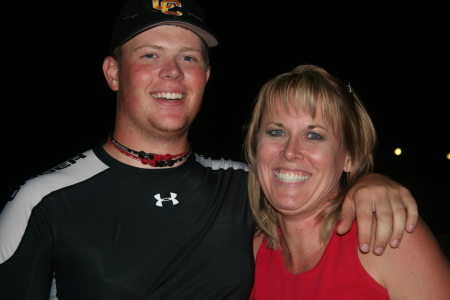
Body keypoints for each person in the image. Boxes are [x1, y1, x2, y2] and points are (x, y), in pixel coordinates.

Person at [0, 1, 418, 299]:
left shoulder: (244, 188)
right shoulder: (42, 203)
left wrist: (369, 181)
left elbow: (311, 180)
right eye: (150, 54)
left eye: (188, 57)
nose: (172, 73)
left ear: (206, 76)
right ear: (113, 73)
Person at [246, 65, 450, 299]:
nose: (290, 151)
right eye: (276, 132)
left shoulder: (387, 237)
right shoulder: (251, 255)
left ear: (349, 158)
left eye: (314, 135)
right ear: (255, 147)